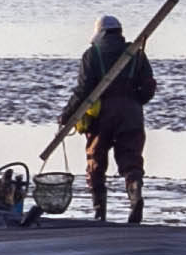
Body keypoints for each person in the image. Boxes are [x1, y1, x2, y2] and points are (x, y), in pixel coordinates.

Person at [65, 13, 156, 223]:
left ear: (100, 33)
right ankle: (135, 197)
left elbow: (83, 89)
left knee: (95, 160)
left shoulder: (92, 54)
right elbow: (149, 85)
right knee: (131, 160)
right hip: (131, 113)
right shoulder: (136, 54)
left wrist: (67, 114)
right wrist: (137, 100)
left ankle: (99, 213)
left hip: (101, 115)